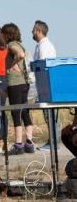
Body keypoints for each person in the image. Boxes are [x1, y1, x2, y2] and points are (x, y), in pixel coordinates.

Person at [2, 23, 34, 155]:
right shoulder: (21, 44)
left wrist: (11, 65)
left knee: (16, 112)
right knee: (25, 111)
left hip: (15, 83)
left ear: (7, 34)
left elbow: (19, 55)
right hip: (24, 82)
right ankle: (29, 143)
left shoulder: (11, 45)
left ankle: (18, 144)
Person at [32, 20, 58, 151]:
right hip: (45, 85)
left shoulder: (44, 46)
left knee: (50, 115)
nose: (32, 32)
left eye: (34, 30)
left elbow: (41, 65)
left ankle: (53, 142)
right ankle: (52, 141)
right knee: (49, 115)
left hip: (46, 85)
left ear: (39, 31)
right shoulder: (42, 45)